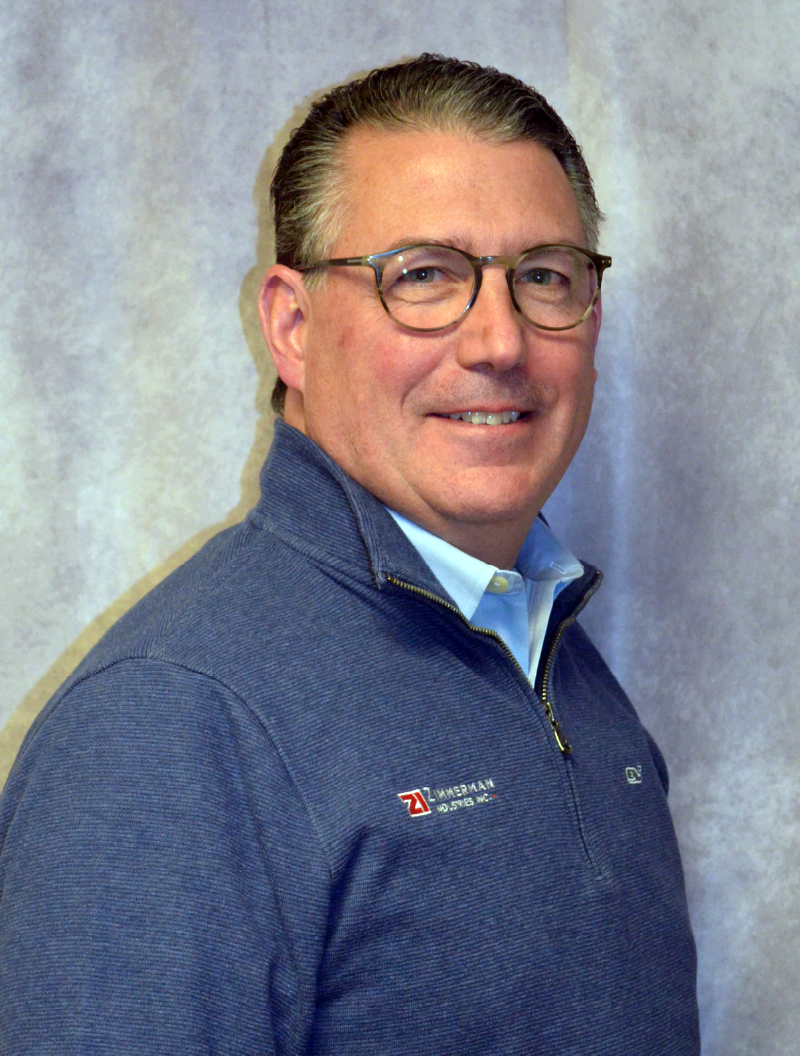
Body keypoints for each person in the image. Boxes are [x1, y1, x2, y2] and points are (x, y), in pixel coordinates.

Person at [0, 54, 700, 1054]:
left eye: (543, 275)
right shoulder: (171, 724)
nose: (497, 340)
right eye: (422, 276)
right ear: (290, 326)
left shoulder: (554, 655)